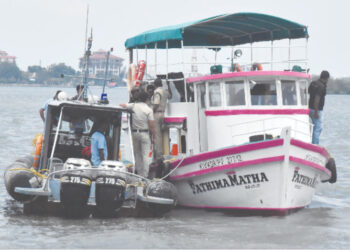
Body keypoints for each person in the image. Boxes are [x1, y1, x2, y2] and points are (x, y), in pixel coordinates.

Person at [120, 90, 155, 177]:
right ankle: (145, 175)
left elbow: (122, 105)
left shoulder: (133, 106)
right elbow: (151, 126)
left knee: (137, 155)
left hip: (135, 133)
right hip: (145, 133)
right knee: (145, 156)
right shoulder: (148, 110)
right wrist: (154, 137)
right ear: (147, 99)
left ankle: (139, 175)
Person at [308, 70, 330, 144]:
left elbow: (308, 93)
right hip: (316, 110)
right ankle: (315, 146)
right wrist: (316, 112)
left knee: (311, 127)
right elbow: (317, 99)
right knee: (318, 129)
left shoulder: (313, 83)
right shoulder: (322, 87)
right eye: (328, 79)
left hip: (309, 109)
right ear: (326, 78)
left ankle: (310, 143)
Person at [152, 78, 169, 161]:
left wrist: (151, 111)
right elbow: (170, 96)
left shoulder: (157, 92)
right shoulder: (165, 91)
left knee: (157, 136)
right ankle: (165, 151)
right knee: (163, 134)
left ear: (155, 85)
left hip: (157, 113)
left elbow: (156, 103)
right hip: (163, 113)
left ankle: (159, 155)